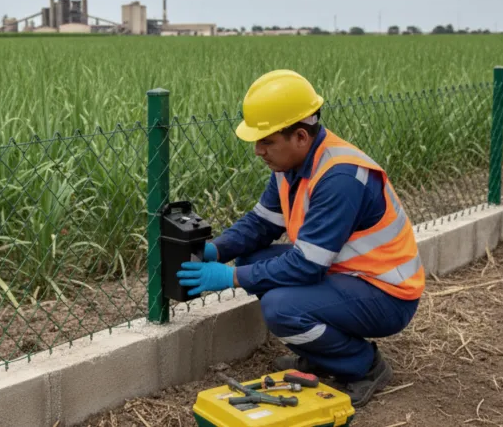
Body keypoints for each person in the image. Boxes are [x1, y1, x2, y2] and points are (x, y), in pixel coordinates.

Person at [175, 69, 424, 408]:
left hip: (386, 293)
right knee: (252, 260)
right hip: (346, 276)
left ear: (301, 137)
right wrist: (216, 250)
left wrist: (229, 277)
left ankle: (363, 366)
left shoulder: (340, 176)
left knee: (280, 308)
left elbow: (307, 266)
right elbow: (260, 225)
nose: (258, 151)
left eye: (267, 141)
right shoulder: (291, 166)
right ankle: (324, 356)